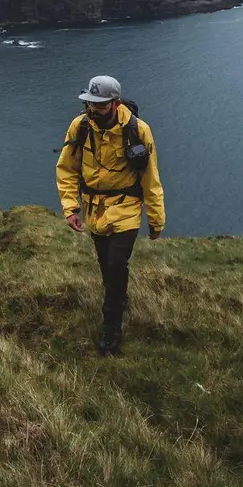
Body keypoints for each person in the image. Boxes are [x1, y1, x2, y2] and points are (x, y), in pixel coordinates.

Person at [54, 75, 165, 356]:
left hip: (126, 208)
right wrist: (71, 208)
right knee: (106, 264)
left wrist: (155, 219)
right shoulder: (79, 127)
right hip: (94, 209)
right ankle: (118, 297)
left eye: (100, 104)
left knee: (116, 264)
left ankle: (111, 328)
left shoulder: (138, 131)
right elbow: (66, 168)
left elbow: (150, 178)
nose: (94, 109)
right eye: (90, 103)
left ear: (115, 103)